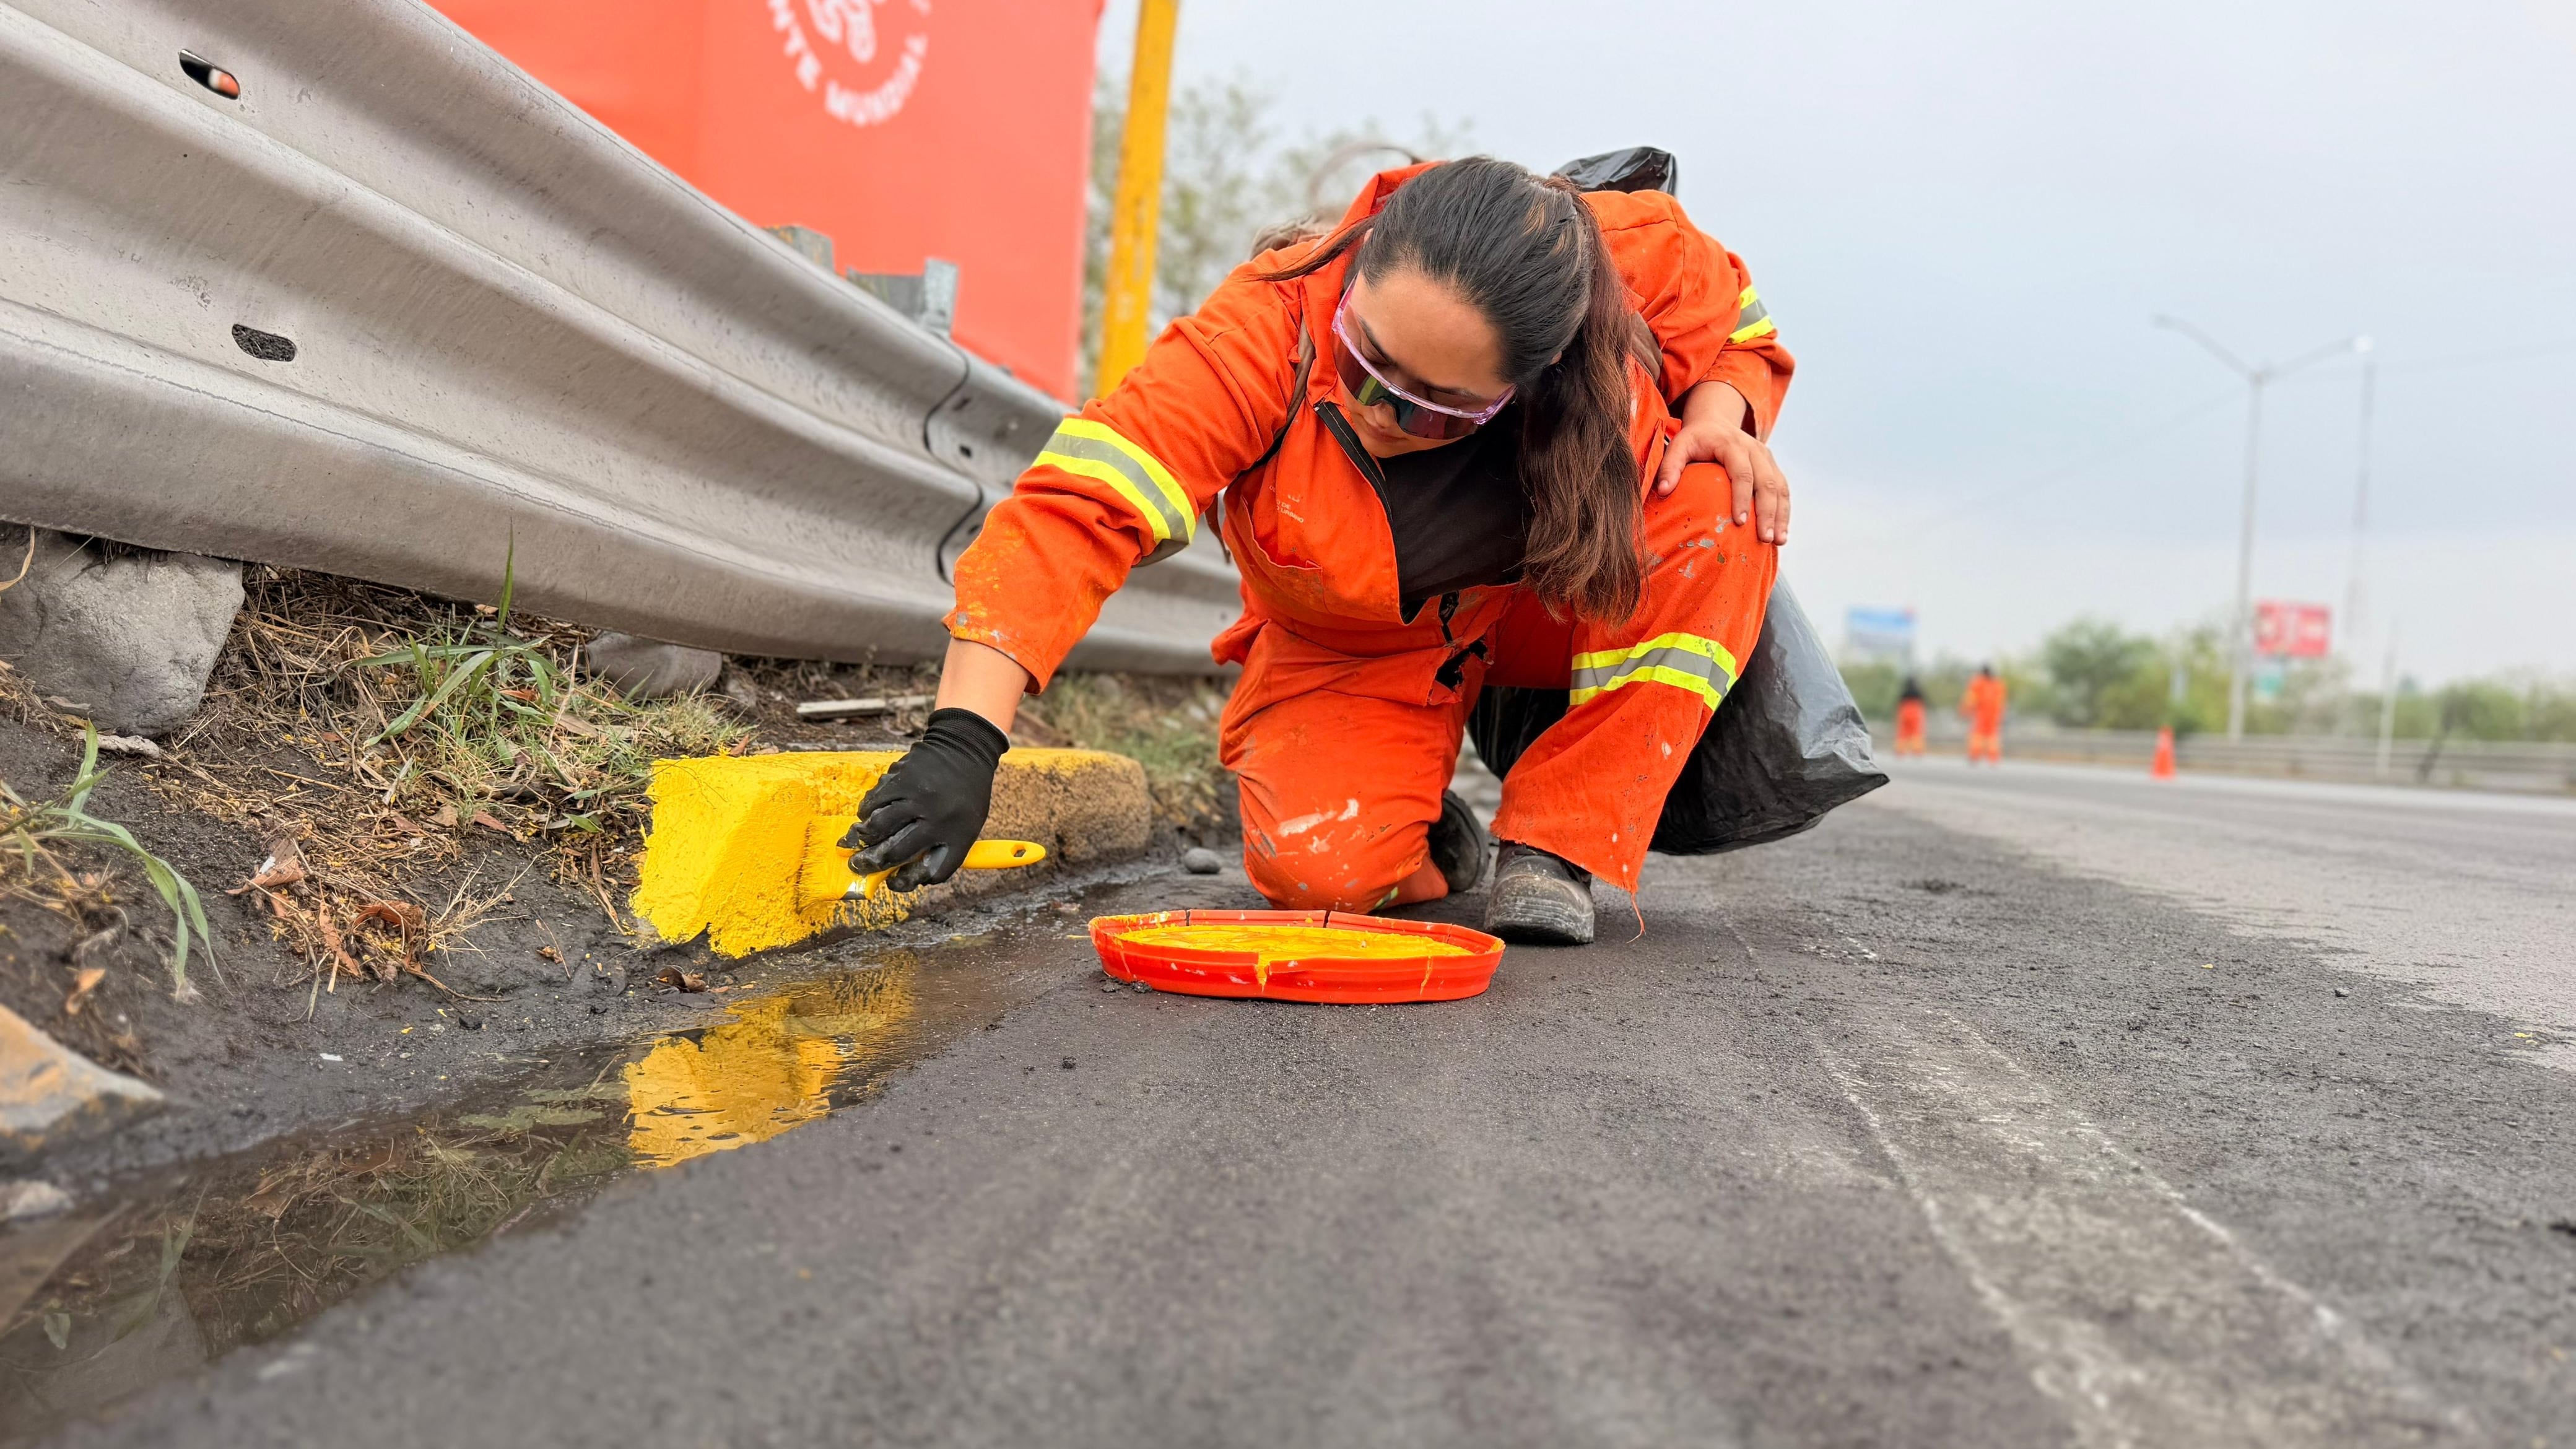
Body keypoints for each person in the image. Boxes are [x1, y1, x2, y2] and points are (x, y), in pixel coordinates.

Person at [846, 157, 1795, 946]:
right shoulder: (1268, 328)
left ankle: (1561, 839)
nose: (1381, 415)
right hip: (1365, 644)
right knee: (1319, 876)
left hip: (1556, 606)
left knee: (1722, 497)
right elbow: (1079, 508)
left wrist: (1719, 417)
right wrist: (965, 739)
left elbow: (1740, 323)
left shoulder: (1624, 259)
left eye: (1435, 404)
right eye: (1366, 361)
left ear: (1539, 371)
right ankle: (1427, 832)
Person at [1961, 664, 2006, 765]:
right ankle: (1993, 758)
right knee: (1992, 736)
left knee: (1978, 735)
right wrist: (2001, 714)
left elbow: (1971, 699)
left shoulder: (1977, 682)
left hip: (1983, 713)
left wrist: (1965, 711)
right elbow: (2001, 702)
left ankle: (1975, 755)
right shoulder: (1998, 684)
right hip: (1992, 714)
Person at [1894, 674, 1927, 758]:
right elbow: (1924, 702)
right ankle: (1917, 751)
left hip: (1905, 713)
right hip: (1915, 714)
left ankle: (1900, 751)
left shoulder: (1904, 693)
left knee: (1903, 733)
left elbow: (1899, 704)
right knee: (1916, 733)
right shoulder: (1919, 693)